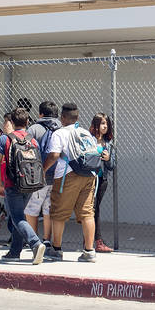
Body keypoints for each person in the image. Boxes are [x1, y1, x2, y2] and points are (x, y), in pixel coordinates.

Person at [42, 103, 100, 263]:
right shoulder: (85, 132)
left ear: (62, 118)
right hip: (89, 175)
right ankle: (89, 251)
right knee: (87, 213)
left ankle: (56, 249)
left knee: (58, 212)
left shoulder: (59, 133)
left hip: (67, 175)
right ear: (77, 117)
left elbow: (54, 155)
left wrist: (43, 170)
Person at [0, 108, 49, 264]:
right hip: (30, 184)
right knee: (19, 216)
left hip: (12, 184)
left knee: (17, 217)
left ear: (12, 122)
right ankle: (15, 251)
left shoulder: (4, 139)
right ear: (27, 122)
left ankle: (35, 243)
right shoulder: (33, 140)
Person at [25, 101, 61, 248]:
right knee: (49, 209)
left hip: (37, 176)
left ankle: (33, 240)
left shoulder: (34, 129)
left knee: (31, 209)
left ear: (41, 114)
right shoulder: (61, 129)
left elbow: (26, 150)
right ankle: (47, 239)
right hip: (57, 175)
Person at [88, 113, 115, 253]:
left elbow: (112, 166)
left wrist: (108, 159)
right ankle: (90, 240)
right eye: (102, 123)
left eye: (107, 124)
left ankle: (97, 242)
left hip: (101, 180)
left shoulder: (108, 143)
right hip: (89, 179)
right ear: (96, 124)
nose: (105, 126)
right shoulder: (89, 139)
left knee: (95, 209)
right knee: (89, 210)